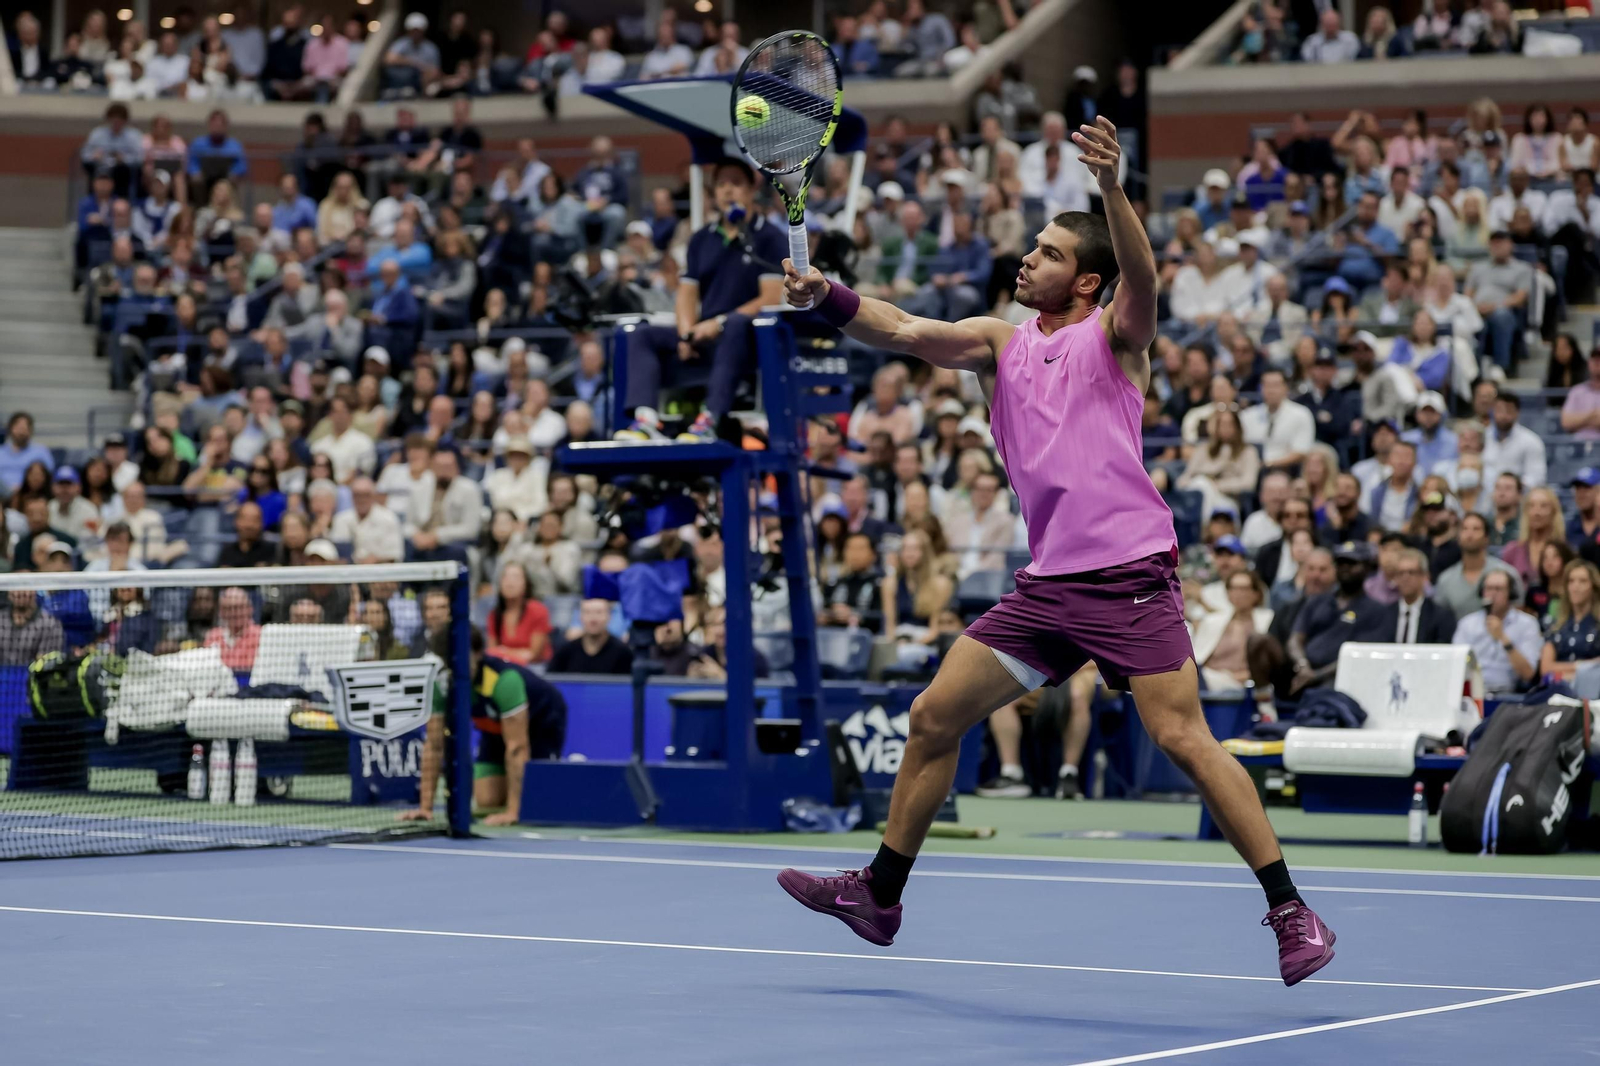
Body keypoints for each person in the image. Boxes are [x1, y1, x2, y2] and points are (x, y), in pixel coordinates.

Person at [775, 116, 1335, 982]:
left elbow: (1144, 279)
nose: (1027, 260)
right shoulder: (998, 345)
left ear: (1087, 281)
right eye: (1031, 249)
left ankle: (1292, 911)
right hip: (1046, 589)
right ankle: (880, 895)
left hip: (1128, 577)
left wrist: (1111, 190)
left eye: (1047, 254)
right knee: (932, 717)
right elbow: (905, 330)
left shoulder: (1113, 338)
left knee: (1183, 738)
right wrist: (829, 296)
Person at [615, 157, 785, 444]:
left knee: (735, 324)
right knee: (641, 334)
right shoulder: (701, 239)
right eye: (721, 184)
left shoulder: (769, 237)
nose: (728, 190)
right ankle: (646, 421)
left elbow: (769, 298)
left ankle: (710, 421)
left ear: (751, 190)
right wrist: (687, 335)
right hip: (706, 335)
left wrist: (718, 324)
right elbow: (687, 293)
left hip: (748, 338)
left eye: (736, 183)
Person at [402, 628, 566, 825]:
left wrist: (513, 812)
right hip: (494, 728)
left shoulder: (503, 680)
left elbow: (517, 747)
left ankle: (517, 802)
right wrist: (425, 808)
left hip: (541, 721)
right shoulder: (441, 682)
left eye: (461, 658)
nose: (454, 666)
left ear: (479, 653)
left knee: (538, 803)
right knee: (487, 800)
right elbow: (434, 745)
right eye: (447, 659)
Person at [1288, 541, 1385, 693]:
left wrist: (1317, 676)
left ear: (1367, 567)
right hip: (1302, 670)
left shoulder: (1376, 610)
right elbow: (1295, 639)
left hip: (1341, 677)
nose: (1345, 567)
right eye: (1341, 563)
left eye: (1352, 563)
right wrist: (1303, 665)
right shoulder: (1317, 600)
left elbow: (1358, 657)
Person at [1452, 568, 1539, 695]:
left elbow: (1528, 674)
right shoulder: (1467, 624)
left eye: (1498, 589)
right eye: (1488, 588)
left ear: (1510, 593)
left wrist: (1503, 638)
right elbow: (1455, 664)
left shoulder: (1527, 624)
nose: (1492, 594)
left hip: (1510, 694)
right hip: (1473, 692)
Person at [1192, 570, 1274, 695]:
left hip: (1248, 684)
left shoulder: (1268, 620)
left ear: (1256, 593)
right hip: (1209, 679)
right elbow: (1198, 656)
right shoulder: (1212, 621)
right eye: (1233, 588)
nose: (1238, 593)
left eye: (1244, 588)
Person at [1433, 512, 1519, 622]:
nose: (1470, 534)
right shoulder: (1446, 580)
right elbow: (1439, 620)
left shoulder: (1507, 574)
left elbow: (1518, 614)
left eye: (1476, 529)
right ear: (1458, 537)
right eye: (1465, 529)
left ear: (1487, 537)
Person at [1539, 559, 1600, 683]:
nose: (1575, 587)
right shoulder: (1555, 625)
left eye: (1583, 581)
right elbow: (1546, 668)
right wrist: (1583, 666)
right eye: (1571, 581)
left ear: (1593, 587)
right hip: (1556, 688)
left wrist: (1561, 673)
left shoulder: (1597, 624)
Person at [1379, 547, 1455, 644]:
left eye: (1411, 572)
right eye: (1401, 573)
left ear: (1424, 576)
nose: (1405, 578)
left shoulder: (1440, 616)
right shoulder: (1384, 615)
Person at [486, 562, 551, 664]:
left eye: (515, 577)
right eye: (505, 577)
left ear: (525, 584)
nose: (509, 582)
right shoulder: (494, 615)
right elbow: (491, 653)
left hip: (534, 667)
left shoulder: (538, 610)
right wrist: (515, 654)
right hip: (505, 668)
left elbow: (533, 655)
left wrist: (503, 652)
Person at [548, 599, 633, 675]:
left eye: (599, 612)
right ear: (580, 617)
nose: (593, 619)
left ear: (609, 616)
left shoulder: (623, 653)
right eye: (587, 612)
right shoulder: (565, 652)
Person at [0, 582, 65, 666]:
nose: (20, 592)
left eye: (25, 587)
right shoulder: (1, 619)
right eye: (15, 587)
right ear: (9, 593)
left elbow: (47, 664)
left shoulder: (50, 624)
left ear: (34, 592)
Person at [204, 586, 262, 672]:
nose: (235, 613)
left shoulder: (260, 636)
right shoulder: (213, 637)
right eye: (229, 608)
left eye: (239, 608)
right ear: (221, 612)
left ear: (250, 609)